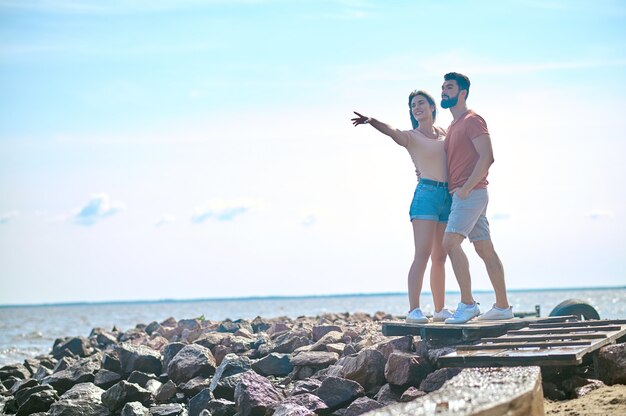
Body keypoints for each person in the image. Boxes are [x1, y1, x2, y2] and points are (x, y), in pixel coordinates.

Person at [352, 90, 453, 323]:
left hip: (447, 196)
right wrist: (371, 121)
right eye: (412, 105)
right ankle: (414, 310)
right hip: (426, 195)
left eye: (421, 103)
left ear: (432, 107)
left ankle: (439, 310)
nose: (416, 107)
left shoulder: (445, 133)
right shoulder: (411, 136)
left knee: (440, 257)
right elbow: (392, 132)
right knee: (423, 254)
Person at [438, 72, 513, 324]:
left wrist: (467, 188)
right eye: (443, 87)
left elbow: (487, 156)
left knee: (450, 243)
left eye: (449, 87)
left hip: (470, 193)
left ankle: (468, 304)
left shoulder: (472, 120)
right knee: (484, 248)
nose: (443, 91)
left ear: (463, 93)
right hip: (465, 195)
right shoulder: (452, 127)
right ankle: (502, 307)